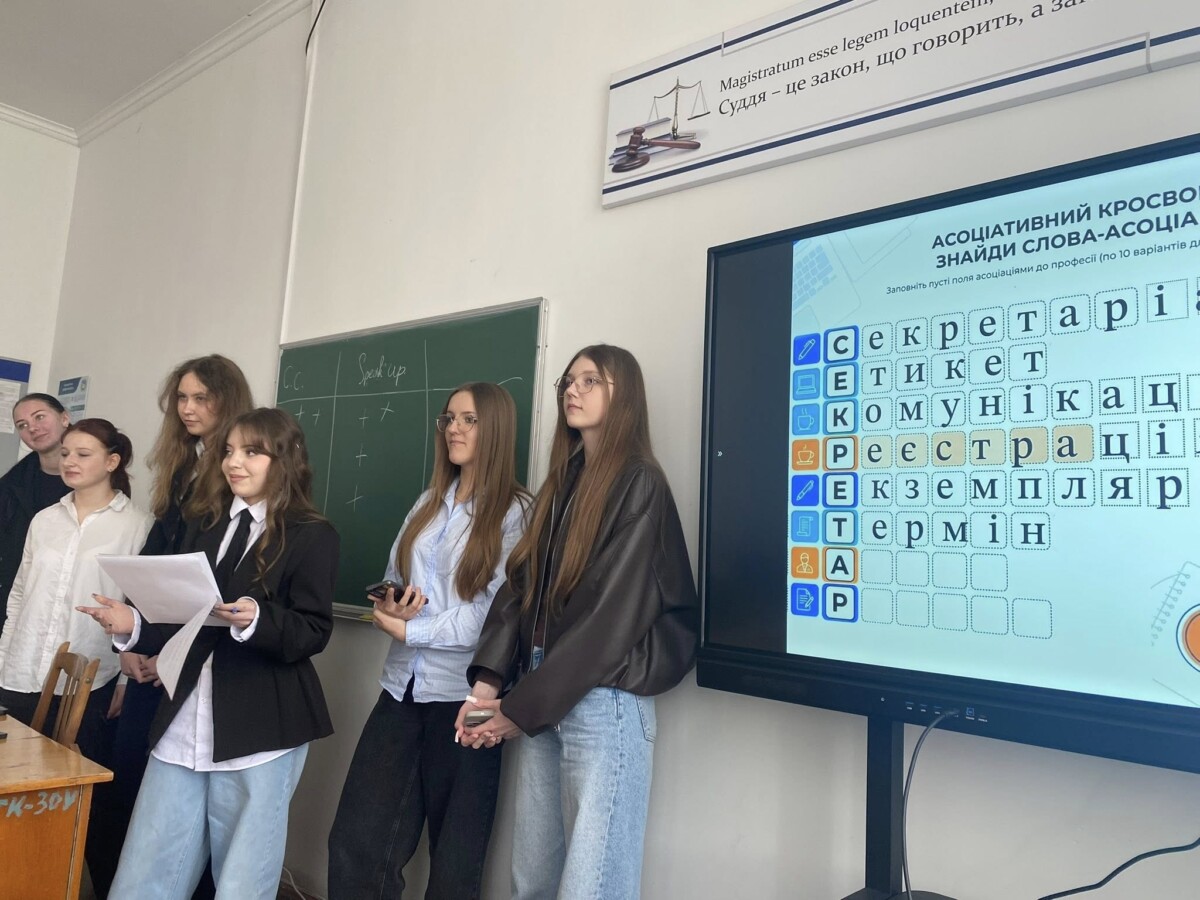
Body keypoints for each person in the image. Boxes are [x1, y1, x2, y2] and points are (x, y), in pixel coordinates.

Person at [457, 345, 699, 900]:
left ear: (624, 395)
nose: (573, 389)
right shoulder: (562, 482)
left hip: (602, 701)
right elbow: (520, 583)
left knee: (591, 888)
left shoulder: (641, 482)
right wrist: (488, 682)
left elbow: (608, 619)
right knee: (532, 883)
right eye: (569, 380)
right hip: (546, 690)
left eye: (591, 380)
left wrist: (519, 709)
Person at [78, 407, 339, 900]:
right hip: (185, 716)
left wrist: (256, 619)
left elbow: (312, 630)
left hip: (262, 726)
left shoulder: (312, 533)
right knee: (147, 866)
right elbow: (184, 615)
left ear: (285, 458)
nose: (233, 462)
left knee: (242, 877)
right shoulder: (207, 523)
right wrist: (132, 625)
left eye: (252, 452)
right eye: (229, 451)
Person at [328, 383, 530, 899]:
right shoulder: (427, 502)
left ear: (496, 429)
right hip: (402, 689)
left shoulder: (516, 512)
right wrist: (392, 605)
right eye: (449, 419)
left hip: (472, 700)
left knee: (456, 859)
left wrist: (411, 629)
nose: (453, 429)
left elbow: (495, 617)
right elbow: (395, 575)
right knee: (357, 843)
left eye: (469, 420)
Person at [105, 354, 253, 899]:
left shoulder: (239, 478)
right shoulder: (182, 467)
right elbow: (154, 561)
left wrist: (157, 643)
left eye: (201, 398)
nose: (188, 409)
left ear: (226, 401)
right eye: (182, 399)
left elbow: (207, 579)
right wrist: (132, 640)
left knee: (201, 811)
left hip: (199, 654)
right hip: (156, 644)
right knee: (133, 780)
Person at [0, 418, 153, 892]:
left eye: (83, 454)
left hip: (92, 679)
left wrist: (124, 679)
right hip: (22, 671)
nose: (69, 461)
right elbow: (19, 595)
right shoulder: (44, 519)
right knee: (15, 799)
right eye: (66, 453)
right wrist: (3, 660)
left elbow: (139, 609)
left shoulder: (137, 525)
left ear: (112, 461)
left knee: (90, 804)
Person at [0, 393, 72, 632]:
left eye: (39, 417)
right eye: (22, 425)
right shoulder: (11, 485)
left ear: (64, 418)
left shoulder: (95, 481)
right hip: (16, 602)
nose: (32, 428)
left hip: (70, 605)